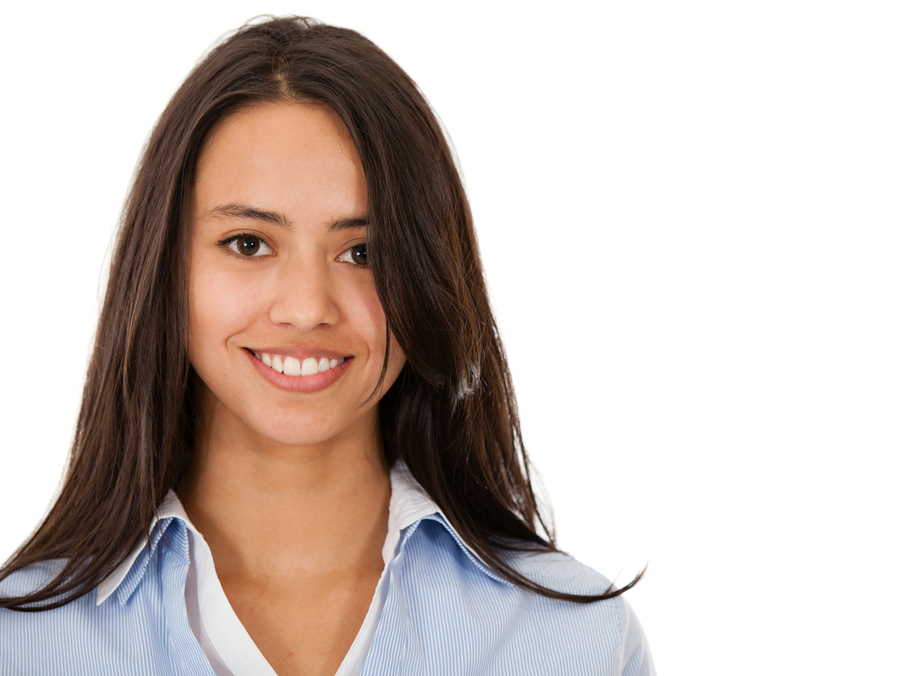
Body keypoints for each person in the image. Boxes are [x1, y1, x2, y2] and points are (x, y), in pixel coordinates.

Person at [0, 16, 653, 675]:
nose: (308, 308)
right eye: (249, 243)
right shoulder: (20, 644)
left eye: (363, 252)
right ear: (166, 266)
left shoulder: (576, 641)